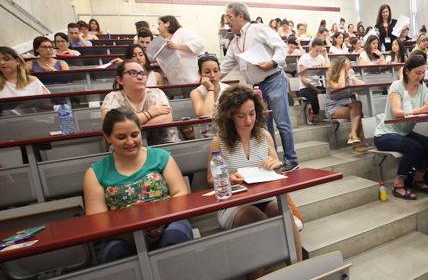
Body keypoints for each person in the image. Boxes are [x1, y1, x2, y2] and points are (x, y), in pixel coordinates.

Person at [83, 109, 191, 263]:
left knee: (174, 237)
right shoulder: (95, 173)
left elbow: (180, 193)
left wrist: (160, 222)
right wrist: (131, 234)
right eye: (121, 137)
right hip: (121, 234)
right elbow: (97, 219)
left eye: (134, 135)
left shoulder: (161, 157)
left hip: (168, 222)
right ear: (107, 137)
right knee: (116, 253)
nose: (130, 142)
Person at [207, 85, 302, 256]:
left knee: (284, 214)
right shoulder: (218, 141)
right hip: (234, 204)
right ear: (230, 116)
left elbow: (279, 175)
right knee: (254, 218)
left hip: (265, 196)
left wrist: (277, 166)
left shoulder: (264, 136)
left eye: (252, 114)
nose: (248, 121)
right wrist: (228, 177)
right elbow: (210, 179)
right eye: (241, 116)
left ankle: (298, 269)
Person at [220, 2, 299, 172]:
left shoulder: (258, 29)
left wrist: (272, 62)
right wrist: (210, 77)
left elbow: (281, 46)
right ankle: (272, 161)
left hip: (274, 79)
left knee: (282, 122)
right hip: (257, 87)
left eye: (229, 16)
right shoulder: (234, 42)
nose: (227, 21)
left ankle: (291, 159)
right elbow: (225, 66)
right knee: (264, 126)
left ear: (241, 16)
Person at [373, 53, 428, 198]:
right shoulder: (397, 86)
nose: (420, 76)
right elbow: (397, 112)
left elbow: (424, 108)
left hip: (403, 131)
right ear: (407, 71)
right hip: (385, 134)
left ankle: (418, 179)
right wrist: (420, 110)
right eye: (417, 72)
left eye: (422, 73)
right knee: (414, 147)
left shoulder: (422, 87)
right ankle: (398, 184)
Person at [101, 60, 179, 145]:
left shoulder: (156, 92)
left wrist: (129, 128)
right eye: (133, 73)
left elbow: (166, 118)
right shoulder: (113, 97)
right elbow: (111, 124)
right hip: (126, 145)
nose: (140, 77)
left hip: (161, 142)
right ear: (120, 80)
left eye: (142, 73)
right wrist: (149, 114)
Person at [325, 56, 369, 153]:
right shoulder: (330, 79)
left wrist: (352, 76)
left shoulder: (349, 76)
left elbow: (362, 84)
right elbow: (341, 86)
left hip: (348, 105)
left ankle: (353, 134)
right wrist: (342, 70)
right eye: (347, 63)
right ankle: (356, 142)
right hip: (334, 107)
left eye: (349, 63)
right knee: (358, 114)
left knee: (357, 104)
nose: (349, 65)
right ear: (340, 66)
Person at [154, 15, 204, 84]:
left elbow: (200, 44)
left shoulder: (182, 32)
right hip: (175, 83)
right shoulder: (163, 42)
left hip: (191, 81)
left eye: (159, 24)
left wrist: (176, 46)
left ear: (167, 24)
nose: (157, 28)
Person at [297, 38, 329, 124]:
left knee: (329, 93)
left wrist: (325, 55)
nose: (318, 52)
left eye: (320, 50)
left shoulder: (321, 58)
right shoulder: (304, 58)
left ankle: (327, 114)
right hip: (305, 87)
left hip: (317, 84)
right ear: (312, 48)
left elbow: (327, 69)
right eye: (316, 50)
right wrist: (315, 89)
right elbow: (303, 79)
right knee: (314, 96)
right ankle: (315, 114)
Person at [190, 54, 230, 118]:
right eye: (207, 72)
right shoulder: (195, 92)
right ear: (200, 73)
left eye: (216, 71)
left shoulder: (228, 89)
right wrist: (210, 89)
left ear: (220, 72)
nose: (212, 75)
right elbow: (205, 115)